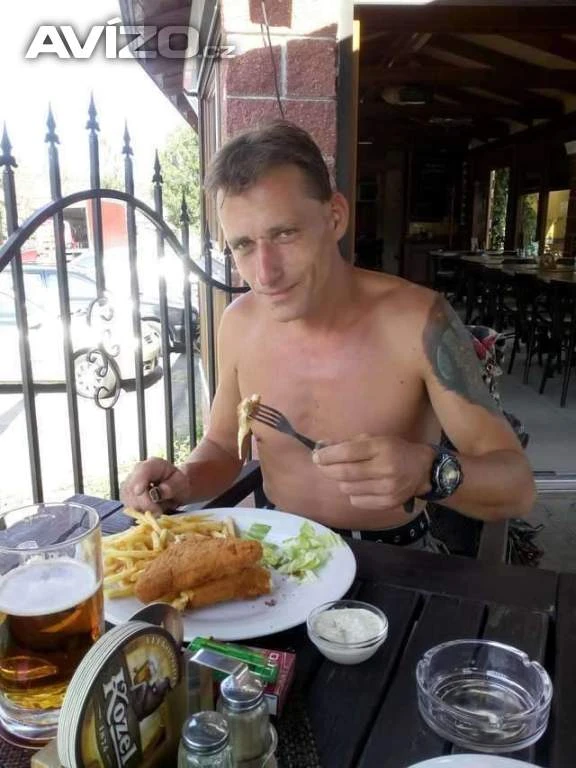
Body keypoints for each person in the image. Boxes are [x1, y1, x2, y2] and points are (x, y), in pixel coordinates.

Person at [121, 121, 535, 550]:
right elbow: (225, 448)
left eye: (284, 234)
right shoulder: (238, 323)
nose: (265, 274)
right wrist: (182, 482)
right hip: (277, 552)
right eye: (243, 245)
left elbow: (517, 486)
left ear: (335, 217)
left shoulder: (421, 322)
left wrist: (426, 471)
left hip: (392, 554)